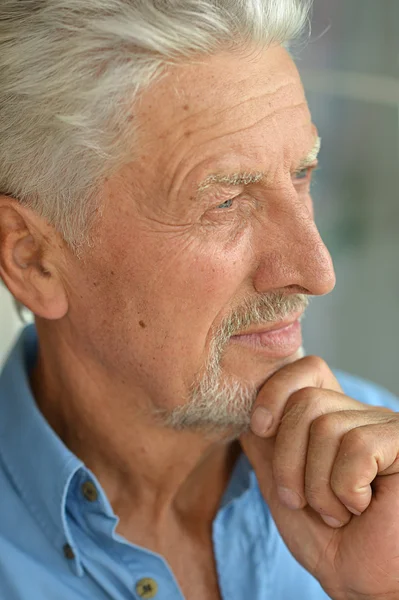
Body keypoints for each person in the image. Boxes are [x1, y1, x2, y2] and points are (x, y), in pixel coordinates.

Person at [0, 1, 398, 599]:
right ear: (34, 260)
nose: (316, 271)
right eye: (225, 203)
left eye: (301, 174)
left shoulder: (382, 474)